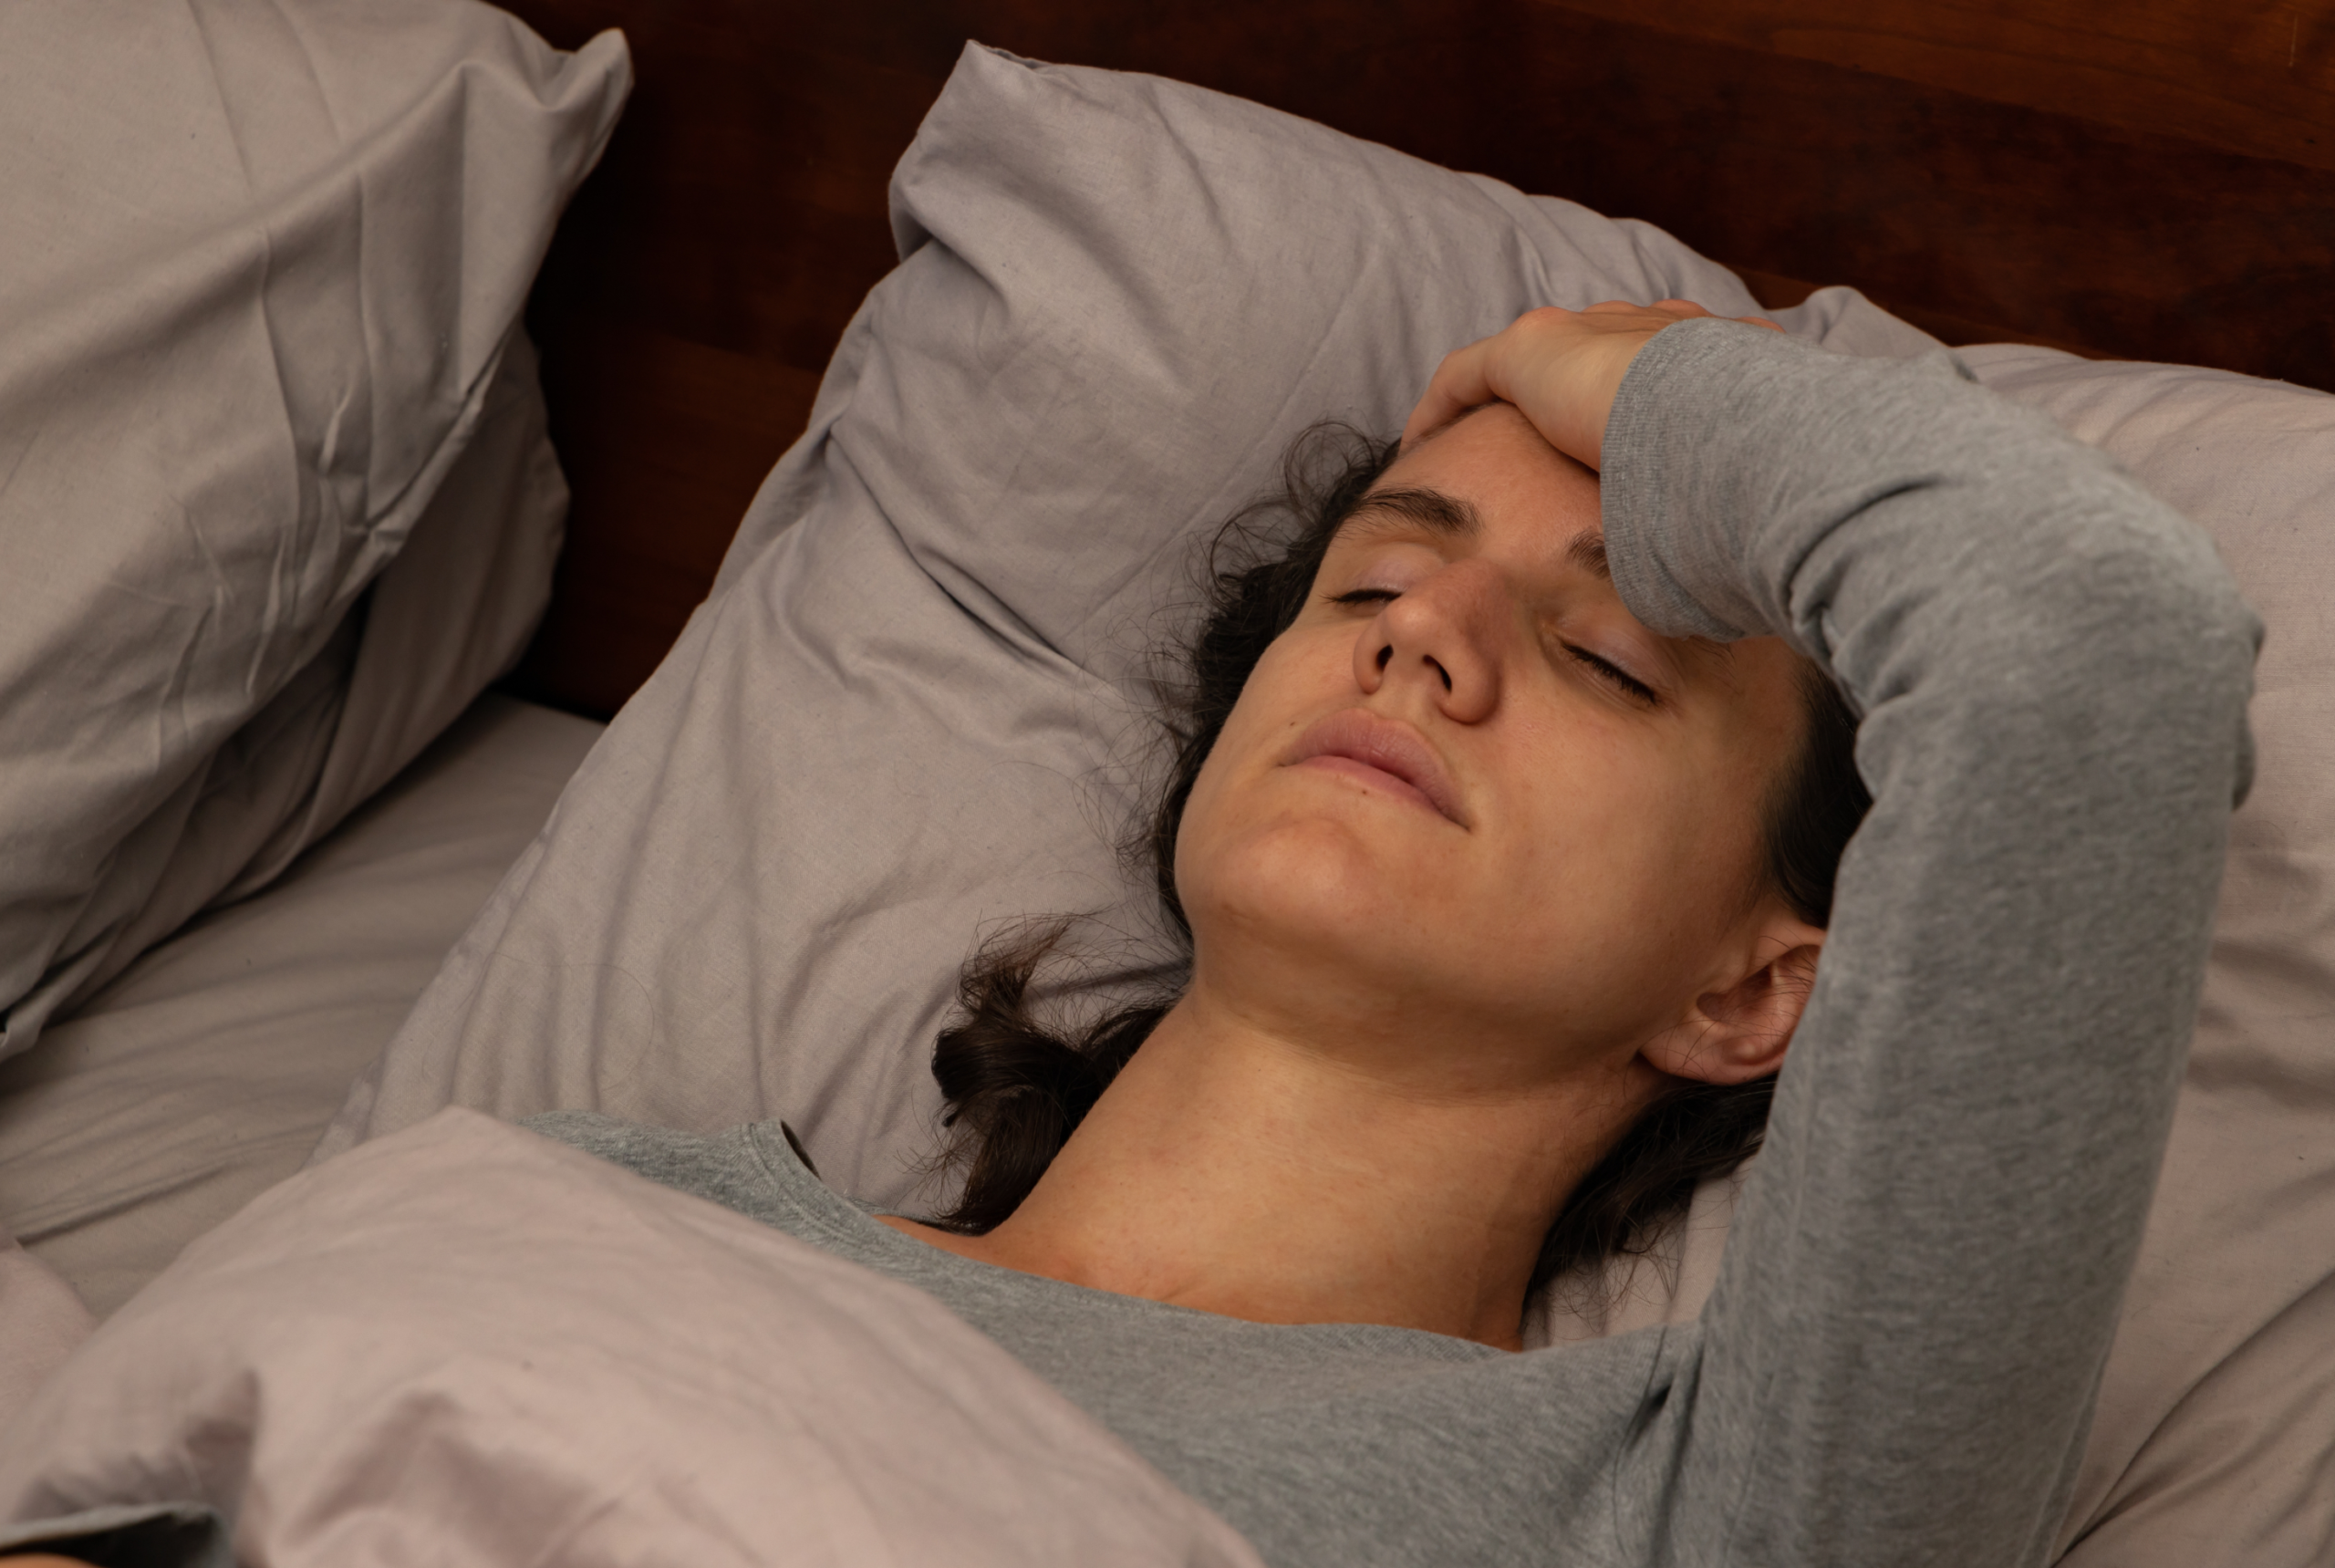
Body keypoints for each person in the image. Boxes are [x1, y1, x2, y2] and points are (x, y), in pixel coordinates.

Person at [2, 300, 2260, 1567]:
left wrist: (1617, 378)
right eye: (1374, 582)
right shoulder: (594, 1192)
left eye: (1598, 658)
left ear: (1754, 986)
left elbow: (2088, 643)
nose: (1419, 648)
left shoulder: (1689, 1503)